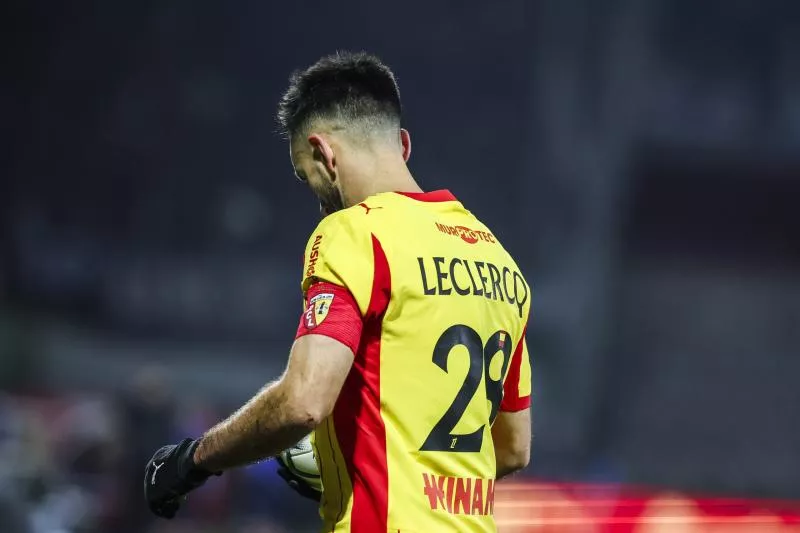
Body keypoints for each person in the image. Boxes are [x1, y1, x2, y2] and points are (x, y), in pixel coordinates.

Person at [144, 51, 532, 533]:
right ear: (403, 145)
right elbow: (513, 448)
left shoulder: (355, 234)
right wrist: (360, 462)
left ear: (324, 153)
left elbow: (303, 403)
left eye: (303, 173)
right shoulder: (499, 261)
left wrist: (193, 460)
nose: (315, 194)